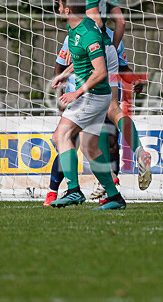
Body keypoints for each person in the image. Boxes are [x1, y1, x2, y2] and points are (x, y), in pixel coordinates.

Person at [68, 0, 152, 190]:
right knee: (112, 110)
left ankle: (99, 183)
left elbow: (96, 19)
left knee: (86, 122)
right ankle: (137, 152)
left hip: (94, 49)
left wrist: (88, 43)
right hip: (108, 49)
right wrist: (112, 49)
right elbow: (121, 22)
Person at [44, 26, 142, 206]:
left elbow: (111, 67)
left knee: (68, 138)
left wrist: (132, 79)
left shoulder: (102, 37)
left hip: (90, 96)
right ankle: (57, 189)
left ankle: (77, 190)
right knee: (82, 145)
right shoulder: (78, 35)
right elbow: (61, 65)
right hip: (84, 96)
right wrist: (62, 84)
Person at [48, 0, 126, 209]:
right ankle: (115, 197)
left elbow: (100, 71)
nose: (58, 9)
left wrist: (76, 92)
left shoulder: (89, 32)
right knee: (90, 149)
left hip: (93, 96)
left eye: (59, 6)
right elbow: (82, 60)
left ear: (68, 8)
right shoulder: (75, 28)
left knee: (60, 135)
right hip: (94, 96)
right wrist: (64, 75)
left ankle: (73, 190)